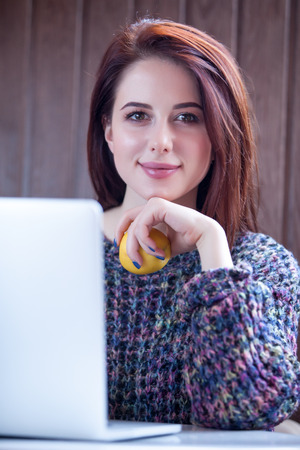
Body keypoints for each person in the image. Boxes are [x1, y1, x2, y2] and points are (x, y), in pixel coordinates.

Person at [87, 18, 300, 430]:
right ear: (109, 131)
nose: (161, 140)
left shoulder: (264, 265)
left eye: (187, 118)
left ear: (219, 136)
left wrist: (212, 246)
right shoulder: (55, 249)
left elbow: (247, 413)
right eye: (137, 115)